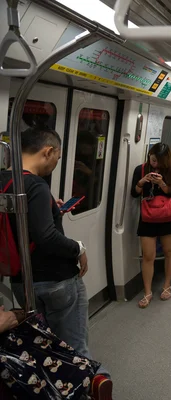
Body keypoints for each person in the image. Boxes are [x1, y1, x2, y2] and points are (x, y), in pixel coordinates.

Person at [1, 126, 112, 399]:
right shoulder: (36, 185)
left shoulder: (5, 179)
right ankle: (83, 392)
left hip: (22, 280)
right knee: (73, 350)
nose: (55, 163)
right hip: (56, 280)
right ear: (47, 151)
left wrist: (51, 209)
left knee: (41, 347)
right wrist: (78, 248)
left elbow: (22, 225)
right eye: (57, 158)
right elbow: (46, 236)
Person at [131, 143, 171, 309]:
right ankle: (147, 292)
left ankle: (167, 285)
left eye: (158, 161)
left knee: (169, 251)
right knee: (148, 256)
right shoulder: (141, 169)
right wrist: (141, 182)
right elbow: (134, 192)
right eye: (152, 160)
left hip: (167, 216)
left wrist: (162, 184)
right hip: (148, 218)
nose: (154, 164)